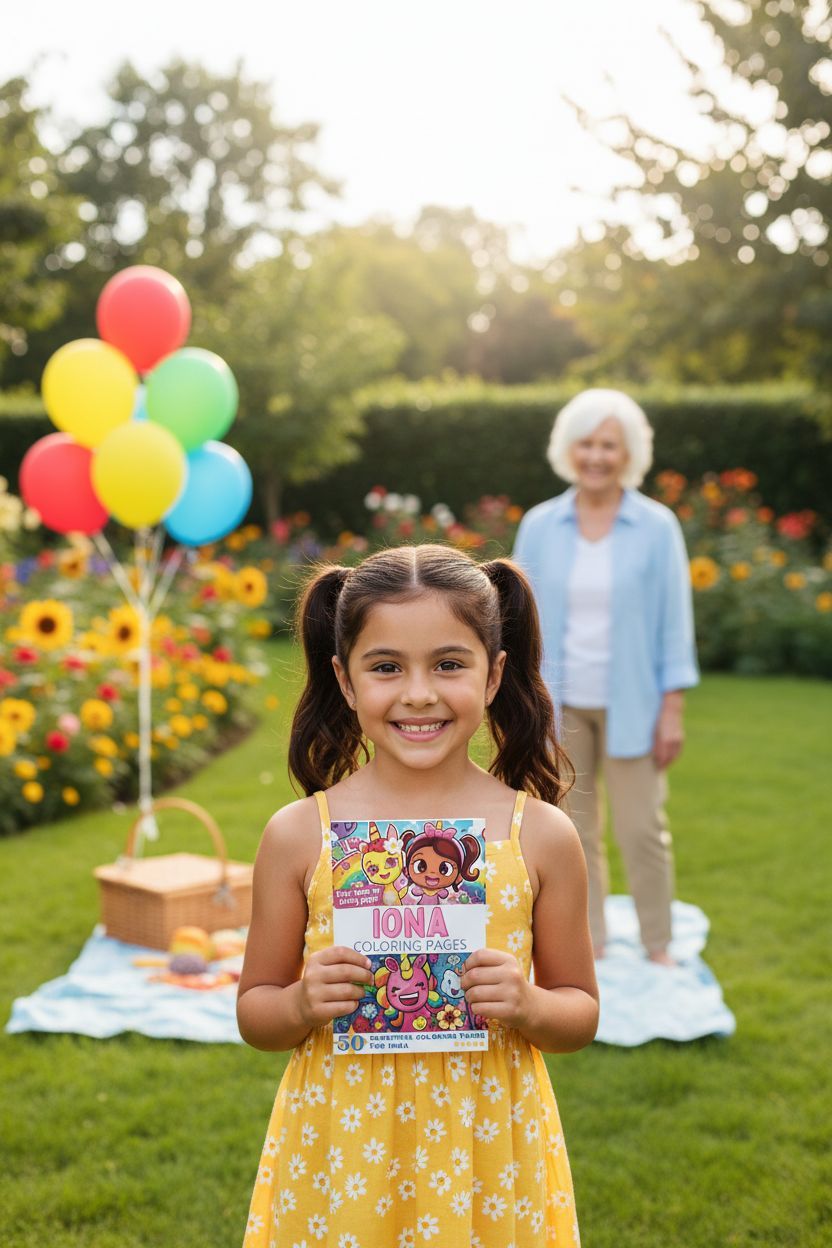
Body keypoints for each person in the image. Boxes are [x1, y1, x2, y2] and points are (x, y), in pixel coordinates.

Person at [238, 544, 599, 1247]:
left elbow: (579, 1011)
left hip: (488, 1144)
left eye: (449, 664)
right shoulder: (299, 835)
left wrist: (528, 1005)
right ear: (344, 681)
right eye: (386, 667)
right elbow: (256, 1013)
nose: (419, 693)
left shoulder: (542, 836)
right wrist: (301, 1001)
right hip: (343, 1147)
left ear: (493, 675)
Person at [513, 389, 699, 966]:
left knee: (643, 829)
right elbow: (519, 617)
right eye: (587, 443)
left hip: (635, 703)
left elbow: (674, 623)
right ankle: (589, 942)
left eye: (609, 445)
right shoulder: (541, 524)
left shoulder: (656, 525)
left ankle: (657, 943)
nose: (597, 456)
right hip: (559, 702)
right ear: (570, 449)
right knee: (572, 830)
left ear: (629, 453)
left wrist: (672, 711)